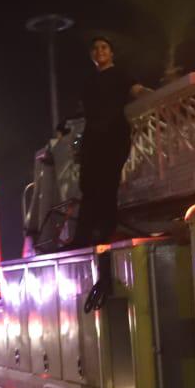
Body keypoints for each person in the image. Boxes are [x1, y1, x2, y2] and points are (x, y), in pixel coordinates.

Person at [72, 37, 148, 249]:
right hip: (92, 139)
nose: (99, 51)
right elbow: (83, 111)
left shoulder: (121, 74)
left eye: (104, 47)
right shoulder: (88, 81)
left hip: (113, 136)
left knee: (107, 185)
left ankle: (104, 232)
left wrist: (156, 92)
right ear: (91, 55)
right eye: (95, 48)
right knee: (88, 186)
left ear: (111, 53)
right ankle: (83, 235)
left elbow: (137, 90)